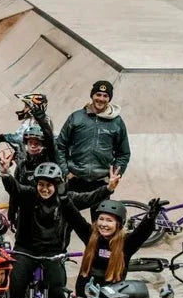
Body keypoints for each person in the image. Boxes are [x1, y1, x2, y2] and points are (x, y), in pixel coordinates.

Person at [0, 159, 117, 298]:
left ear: (56, 185)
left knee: (57, 293)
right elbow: (14, 188)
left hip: (53, 253)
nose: (44, 189)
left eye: (49, 185)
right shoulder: (28, 194)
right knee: (14, 288)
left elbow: (89, 198)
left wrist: (108, 188)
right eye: (41, 184)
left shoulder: (66, 199)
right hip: (26, 250)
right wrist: (5, 173)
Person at [56, 80, 131, 211]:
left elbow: (123, 153)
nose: (101, 99)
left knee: (100, 226)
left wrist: (115, 175)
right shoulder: (76, 117)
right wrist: (65, 171)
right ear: (92, 95)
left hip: (101, 182)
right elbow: (60, 145)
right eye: (98, 94)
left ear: (109, 98)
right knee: (67, 222)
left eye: (105, 96)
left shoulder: (117, 122)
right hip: (75, 179)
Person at [67, 198, 163, 298]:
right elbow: (75, 218)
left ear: (119, 224)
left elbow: (141, 233)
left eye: (109, 220)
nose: (104, 224)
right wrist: (65, 199)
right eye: (101, 219)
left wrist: (150, 217)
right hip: (84, 294)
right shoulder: (91, 236)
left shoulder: (126, 243)